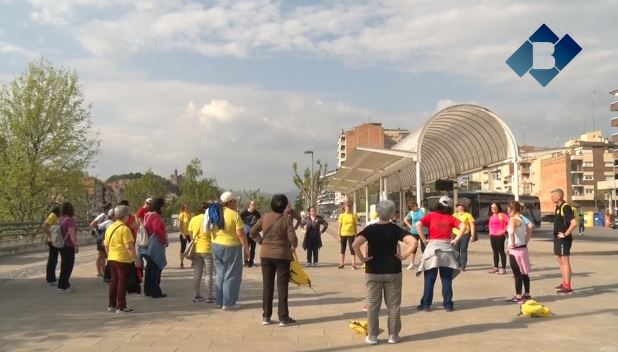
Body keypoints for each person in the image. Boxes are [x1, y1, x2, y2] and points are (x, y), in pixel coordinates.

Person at [352, 200, 417, 345]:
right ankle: (393, 336)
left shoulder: (370, 229)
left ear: (378, 213)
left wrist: (363, 259)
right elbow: (413, 242)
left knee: (373, 306)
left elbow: (355, 244)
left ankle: (373, 336)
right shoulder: (395, 229)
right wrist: (404, 256)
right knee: (393, 306)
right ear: (392, 214)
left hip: (373, 271)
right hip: (393, 271)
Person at [249, 194, 299, 326]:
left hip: (265, 255)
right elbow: (293, 239)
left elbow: (252, 232)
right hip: (282, 256)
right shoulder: (286, 219)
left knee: (267, 285)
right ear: (284, 206)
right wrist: (293, 246)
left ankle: (266, 316)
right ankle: (283, 317)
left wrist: (261, 242)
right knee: (282, 286)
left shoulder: (264, 217)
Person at [416, 196, 465, 311]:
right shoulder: (451, 218)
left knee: (429, 279)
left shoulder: (431, 216)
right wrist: (456, 240)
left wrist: (423, 240)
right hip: (447, 249)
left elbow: (418, 225)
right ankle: (448, 305)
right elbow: (463, 226)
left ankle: (426, 304)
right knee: (446, 280)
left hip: (432, 250)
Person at [212, 191, 250, 310]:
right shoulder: (234, 214)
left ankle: (219, 301)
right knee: (231, 274)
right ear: (230, 202)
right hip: (231, 247)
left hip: (216, 245)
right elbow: (241, 234)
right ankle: (228, 303)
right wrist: (246, 248)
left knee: (219, 274)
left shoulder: (214, 212)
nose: (236, 204)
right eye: (235, 201)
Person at [104, 205, 141, 313]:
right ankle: (121, 306)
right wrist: (136, 260)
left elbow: (106, 245)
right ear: (125, 216)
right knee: (122, 283)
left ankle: (111, 305)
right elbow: (129, 247)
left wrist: (109, 256)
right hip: (123, 259)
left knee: (113, 282)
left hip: (112, 258)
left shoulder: (110, 227)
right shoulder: (125, 229)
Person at [139, 197, 168, 298]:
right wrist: (163, 238)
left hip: (148, 245)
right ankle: (155, 291)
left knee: (150, 269)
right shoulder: (156, 216)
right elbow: (156, 229)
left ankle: (148, 290)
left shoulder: (147, 215)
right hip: (155, 244)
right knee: (156, 268)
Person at [551, 188, 577, 294]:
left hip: (564, 239)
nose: (551, 198)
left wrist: (565, 234)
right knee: (559, 259)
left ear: (559, 196)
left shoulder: (565, 207)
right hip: (557, 238)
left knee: (565, 261)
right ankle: (564, 282)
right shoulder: (558, 207)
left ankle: (567, 286)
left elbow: (574, 223)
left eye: (553, 196)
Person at [505, 200, 533, 304]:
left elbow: (511, 232)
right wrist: (527, 238)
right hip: (523, 248)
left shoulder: (513, 219)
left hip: (515, 250)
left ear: (512, 209)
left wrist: (511, 244)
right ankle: (527, 294)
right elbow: (530, 226)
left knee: (517, 274)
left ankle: (518, 296)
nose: (508, 212)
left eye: (508, 210)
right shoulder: (522, 218)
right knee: (524, 273)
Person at [189, 202, 215, 303]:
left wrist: (195, 242)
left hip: (196, 249)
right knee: (208, 274)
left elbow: (190, 233)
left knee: (197, 273)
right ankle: (210, 295)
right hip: (207, 249)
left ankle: (196, 294)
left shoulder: (194, 219)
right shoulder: (209, 219)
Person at [57, 202, 79, 293]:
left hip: (62, 245)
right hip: (68, 246)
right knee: (68, 266)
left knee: (64, 265)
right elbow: (72, 234)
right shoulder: (70, 220)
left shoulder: (61, 219)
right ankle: (63, 286)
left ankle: (63, 284)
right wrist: (76, 245)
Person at [403, 201, 427, 270]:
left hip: (423, 231)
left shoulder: (422, 210)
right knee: (413, 247)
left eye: (414, 207)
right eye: (412, 208)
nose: (413, 208)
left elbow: (428, 217)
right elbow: (405, 219)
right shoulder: (411, 212)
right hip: (414, 231)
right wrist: (409, 225)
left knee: (424, 247)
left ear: (416, 205)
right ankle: (411, 263)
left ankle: (424, 263)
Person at [90, 202, 111, 278]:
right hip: (102, 237)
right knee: (100, 255)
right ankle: (100, 272)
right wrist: (98, 233)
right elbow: (92, 224)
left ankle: (103, 271)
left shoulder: (108, 216)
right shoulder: (102, 216)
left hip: (105, 237)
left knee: (103, 256)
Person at [452, 203, 476, 272]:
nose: (457, 207)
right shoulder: (454, 215)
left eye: (459, 206)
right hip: (455, 234)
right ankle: (456, 265)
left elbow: (472, 225)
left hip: (465, 234)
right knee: (455, 250)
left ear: (463, 207)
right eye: (456, 206)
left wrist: (472, 235)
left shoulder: (468, 215)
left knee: (463, 250)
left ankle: (462, 266)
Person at [41, 206, 61, 286]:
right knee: (52, 259)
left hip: (53, 240)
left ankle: (51, 277)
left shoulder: (55, 216)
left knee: (54, 258)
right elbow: (44, 226)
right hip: (51, 240)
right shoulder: (52, 215)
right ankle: (50, 279)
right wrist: (51, 236)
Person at [488, 202, 509, 274]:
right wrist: (490, 232)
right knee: (495, 252)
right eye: (492, 207)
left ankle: (503, 268)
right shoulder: (491, 216)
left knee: (501, 252)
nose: (493, 209)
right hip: (492, 236)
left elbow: (509, 222)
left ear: (498, 208)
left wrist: (504, 230)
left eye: (495, 207)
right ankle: (495, 267)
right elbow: (490, 225)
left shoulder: (502, 215)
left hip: (500, 236)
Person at [240, 200, 261, 267]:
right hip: (246, 233)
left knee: (253, 248)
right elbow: (239, 221)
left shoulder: (256, 213)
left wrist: (258, 229)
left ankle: (251, 262)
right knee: (246, 247)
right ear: (249, 205)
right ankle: (246, 262)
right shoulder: (244, 213)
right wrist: (243, 228)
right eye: (253, 204)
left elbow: (261, 221)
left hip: (254, 233)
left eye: (255, 205)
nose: (254, 206)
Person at [337, 202, 358, 269]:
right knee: (343, 249)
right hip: (343, 234)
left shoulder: (353, 215)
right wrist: (338, 235)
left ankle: (353, 264)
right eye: (347, 206)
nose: (348, 207)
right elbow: (339, 226)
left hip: (351, 234)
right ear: (344, 207)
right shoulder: (342, 216)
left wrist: (356, 234)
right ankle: (342, 263)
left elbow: (355, 225)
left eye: (349, 206)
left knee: (352, 249)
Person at [178, 204, 192, 269]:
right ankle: (181, 263)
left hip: (190, 234)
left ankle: (193, 261)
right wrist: (183, 234)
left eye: (188, 206)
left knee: (192, 248)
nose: (187, 208)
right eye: (186, 207)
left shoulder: (192, 214)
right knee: (183, 248)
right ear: (183, 208)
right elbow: (179, 225)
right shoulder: (182, 215)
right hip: (184, 233)